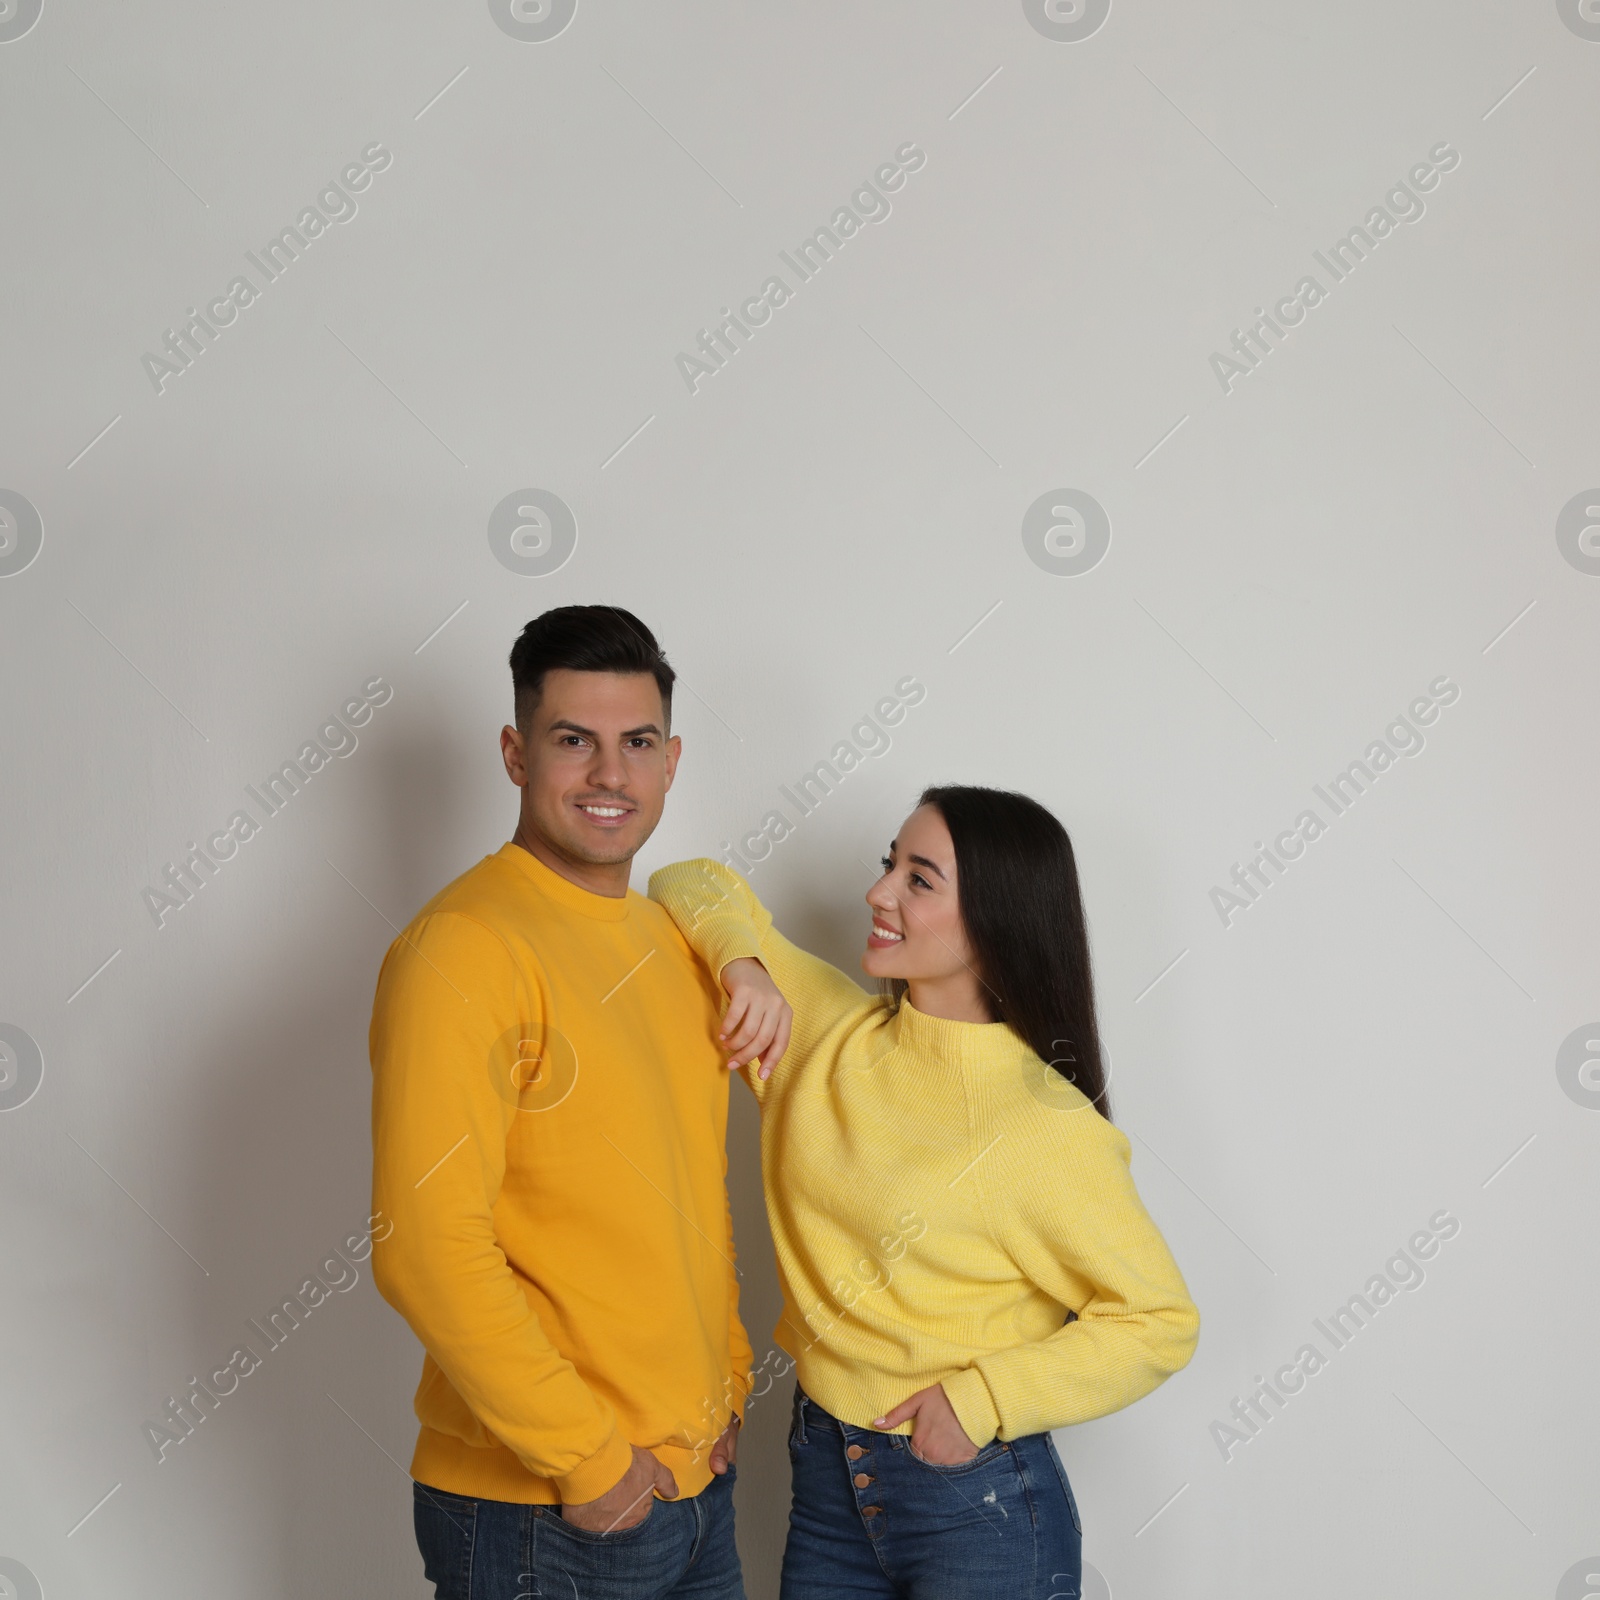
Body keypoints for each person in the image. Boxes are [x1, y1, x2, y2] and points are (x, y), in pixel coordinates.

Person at [649, 785, 1200, 1600]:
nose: (879, 893)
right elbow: (686, 880)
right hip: (828, 1479)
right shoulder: (822, 1032)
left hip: (976, 1504)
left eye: (919, 879)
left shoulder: (1044, 1125)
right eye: (889, 865)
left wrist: (982, 1400)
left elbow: (1159, 1322)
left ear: (995, 919)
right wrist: (744, 966)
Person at [369, 606, 752, 1600]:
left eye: (635, 744)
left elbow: (687, 1197)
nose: (607, 776)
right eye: (572, 740)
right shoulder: (465, 947)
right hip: (547, 1509)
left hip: (692, 1482)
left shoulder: (671, 945)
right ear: (514, 752)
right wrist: (586, 1462)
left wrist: (728, 1384)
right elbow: (425, 1244)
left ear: (671, 761)